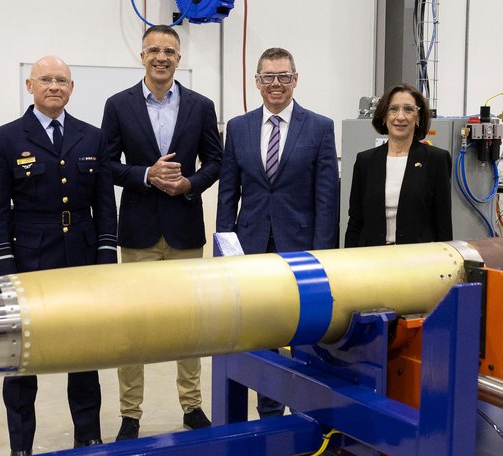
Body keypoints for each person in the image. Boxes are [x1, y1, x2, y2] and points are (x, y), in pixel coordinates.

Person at [0, 55, 118, 456]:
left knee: (84, 352)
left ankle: (88, 437)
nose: (54, 86)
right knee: (23, 357)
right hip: (28, 258)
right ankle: (21, 446)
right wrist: (3, 268)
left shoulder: (92, 137)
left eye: (62, 80)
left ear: (72, 88)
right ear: (30, 86)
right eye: (46, 80)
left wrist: (106, 255)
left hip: (80, 252)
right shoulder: (4, 139)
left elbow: (104, 203)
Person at [101, 24, 222, 441]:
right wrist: (145, 175)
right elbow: (106, 165)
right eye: (154, 50)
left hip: (185, 229)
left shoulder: (201, 106)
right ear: (142, 56)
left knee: (190, 324)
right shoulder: (118, 105)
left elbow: (216, 162)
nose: (161, 57)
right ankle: (130, 413)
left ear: (178, 58)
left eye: (169, 50)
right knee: (132, 326)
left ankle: (192, 405)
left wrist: (191, 184)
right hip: (137, 232)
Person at [215, 47, 339, 417]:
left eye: (283, 76)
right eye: (268, 77)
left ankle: (306, 410)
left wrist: (323, 255)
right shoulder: (238, 128)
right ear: (257, 82)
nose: (276, 84)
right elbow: (228, 195)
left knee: (304, 331)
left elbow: (326, 197)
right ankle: (269, 410)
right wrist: (224, 251)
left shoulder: (319, 127)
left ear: (295, 80)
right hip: (251, 248)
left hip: (301, 249)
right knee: (260, 333)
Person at [345, 83, 452, 247]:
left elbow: (443, 222)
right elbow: (356, 221)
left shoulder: (436, 160)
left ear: (418, 117)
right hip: (371, 259)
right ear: (384, 116)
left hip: (418, 261)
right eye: (393, 109)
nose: (400, 117)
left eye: (408, 109)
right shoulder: (365, 161)